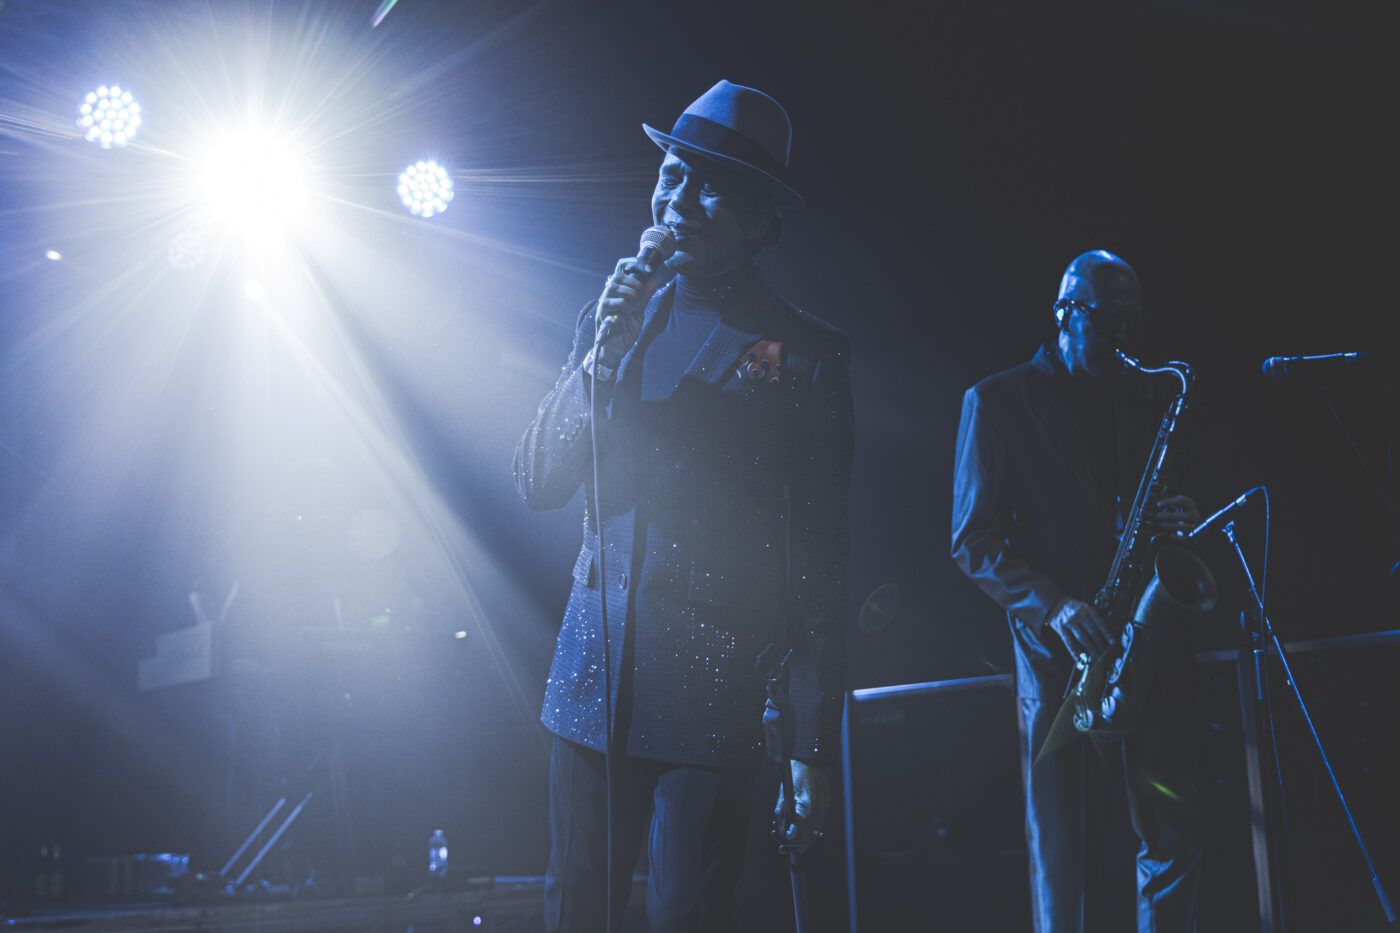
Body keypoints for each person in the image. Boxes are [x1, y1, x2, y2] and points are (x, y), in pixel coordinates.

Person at [513, 80, 853, 932]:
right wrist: (597, 363)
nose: (680, 201)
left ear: (761, 220)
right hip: (591, 686)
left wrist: (810, 736)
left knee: (687, 915)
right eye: (671, 174)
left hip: (714, 696)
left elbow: (817, 554)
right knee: (572, 910)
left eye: (713, 188)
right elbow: (539, 483)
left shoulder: (805, 355)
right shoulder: (613, 313)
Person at [951, 250, 1204, 932]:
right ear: (1066, 313)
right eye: (1109, 320)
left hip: (1141, 642)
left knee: (1172, 834)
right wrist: (1055, 604)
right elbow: (972, 540)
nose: (1126, 340)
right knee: (1061, 850)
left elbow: (1144, 505)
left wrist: (1176, 519)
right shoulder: (996, 400)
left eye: (1134, 322)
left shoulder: (1151, 396)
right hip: (1056, 653)